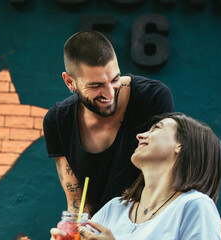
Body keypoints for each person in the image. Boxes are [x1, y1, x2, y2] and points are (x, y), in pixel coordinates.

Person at [43, 31, 174, 216]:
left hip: (148, 223)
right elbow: (78, 205)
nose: (110, 94)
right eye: (96, 86)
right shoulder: (57, 120)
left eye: (114, 80)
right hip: (97, 230)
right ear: (69, 82)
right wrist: (71, 232)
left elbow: (166, 179)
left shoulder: (153, 98)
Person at [51, 112, 221, 240]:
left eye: (156, 128)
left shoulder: (194, 206)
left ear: (181, 145)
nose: (140, 135)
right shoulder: (113, 209)